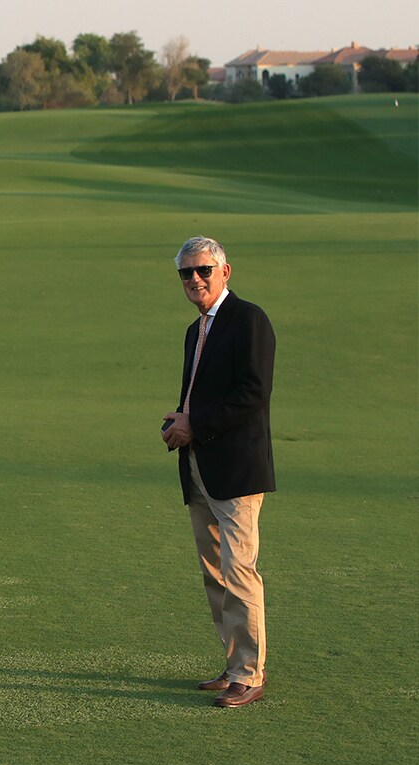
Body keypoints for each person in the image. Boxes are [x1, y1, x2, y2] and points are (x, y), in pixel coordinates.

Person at [161, 236, 275, 709]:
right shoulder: (196, 329)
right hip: (198, 465)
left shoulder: (249, 320)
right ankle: (232, 666)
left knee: (239, 569)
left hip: (236, 470)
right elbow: (200, 393)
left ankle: (250, 674)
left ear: (225, 271)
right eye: (186, 273)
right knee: (214, 573)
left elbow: (253, 394)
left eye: (203, 270)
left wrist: (195, 423)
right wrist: (179, 421)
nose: (195, 279)